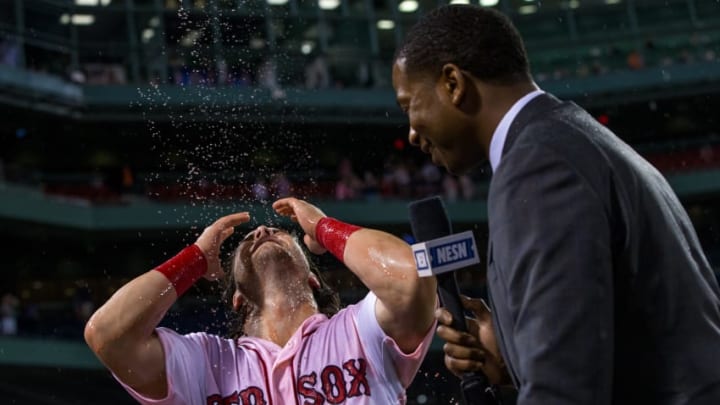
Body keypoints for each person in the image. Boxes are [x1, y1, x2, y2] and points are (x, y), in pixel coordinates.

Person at [392, 4, 720, 404]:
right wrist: (511, 355)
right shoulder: (572, 138)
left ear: (453, 83)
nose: (410, 132)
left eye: (410, 106)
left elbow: (566, 388)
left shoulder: (538, 165)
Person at [84, 198, 437, 404]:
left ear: (312, 278)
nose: (261, 231)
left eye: (281, 233)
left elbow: (413, 276)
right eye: (248, 240)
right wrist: (194, 259)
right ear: (237, 297)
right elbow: (109, 335)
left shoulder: (359, 330)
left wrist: (322, 228)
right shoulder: (206, 362)